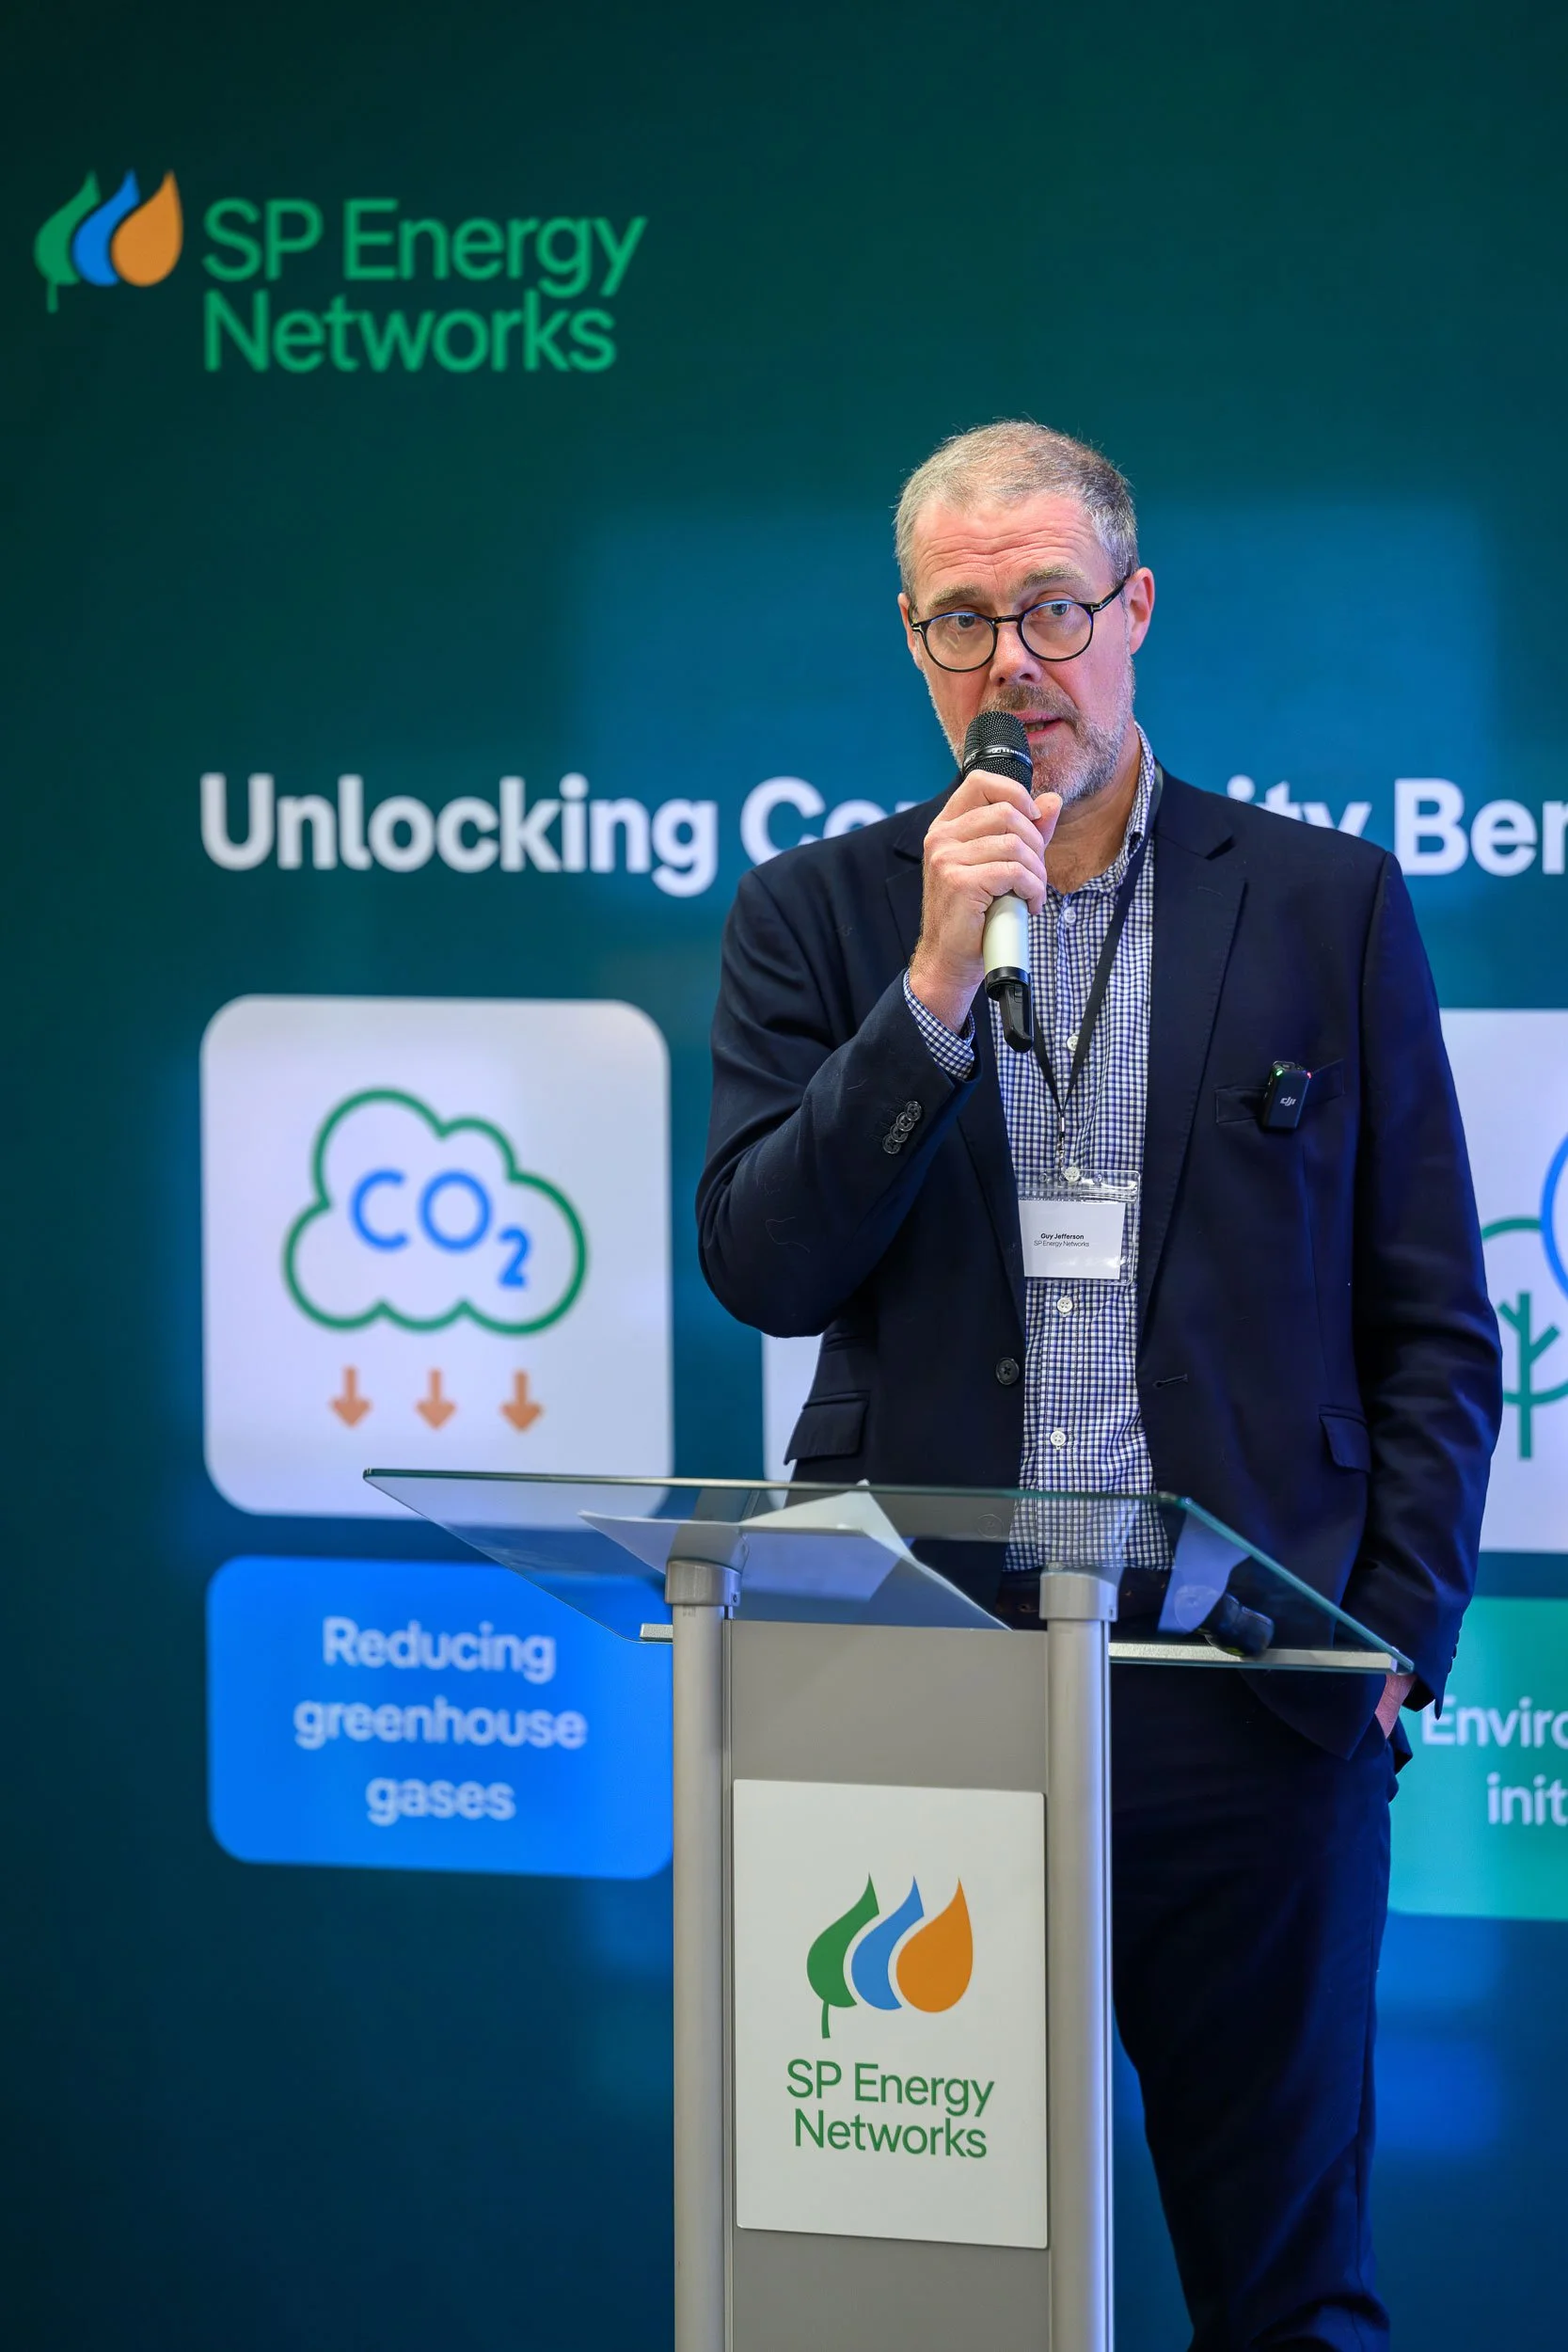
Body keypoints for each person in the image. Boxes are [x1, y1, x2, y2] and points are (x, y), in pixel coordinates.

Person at [697, 421, 1502, 2351]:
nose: (1012, 664)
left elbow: (1431, 1327)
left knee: (1283, 2291)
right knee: (915, 2294)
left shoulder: (1318, 904)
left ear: (1130, 611)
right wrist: (928, 999)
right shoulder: (819, 918)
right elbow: (762, 1262)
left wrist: (1379, 1647)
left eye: (1051, 607)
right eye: (962, 620)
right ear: (911, 641)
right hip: (922, 1695)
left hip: (1245, 1705)